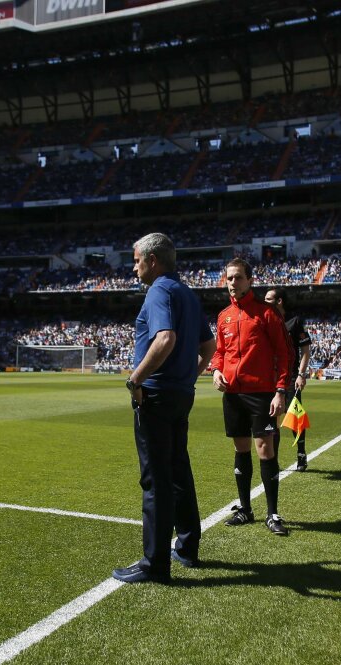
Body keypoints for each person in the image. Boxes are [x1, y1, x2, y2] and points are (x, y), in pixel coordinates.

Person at [113, 233, 215, 585]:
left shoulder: (158, 291)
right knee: (178, 471)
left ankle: (154, 564)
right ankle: (187, 546)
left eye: (137, 259)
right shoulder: (187, 292)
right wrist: (190, 376)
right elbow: (210, 345)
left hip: (155, 395)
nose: (134, 266)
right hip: (180, 393)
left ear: (153, 260)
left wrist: (135, 380)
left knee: (156, 478)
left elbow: (165, 338)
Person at [211, 258, 293, 536]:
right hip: (232, 394)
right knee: (241, 449)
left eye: (238, 278)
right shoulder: (224, 316)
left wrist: (280, 390)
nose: (232, 283)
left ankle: (273, 513)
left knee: (265, 450)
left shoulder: (267, 313)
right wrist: (216, 370)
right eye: (229, 278)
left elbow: (284, 354)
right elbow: (220, 352)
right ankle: (245, 509)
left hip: (261, 394)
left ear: (249, 280)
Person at [264, 287, 312, 470]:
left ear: (279, 301)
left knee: (295, 416)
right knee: (272, 416)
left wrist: (301, 374)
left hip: (291, 376)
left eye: (268, 299)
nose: (265, 302)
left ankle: (301, 453)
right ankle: (272, 458)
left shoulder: (295, 321)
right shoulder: (266, 320)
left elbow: (305, 349)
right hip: (270, 377)